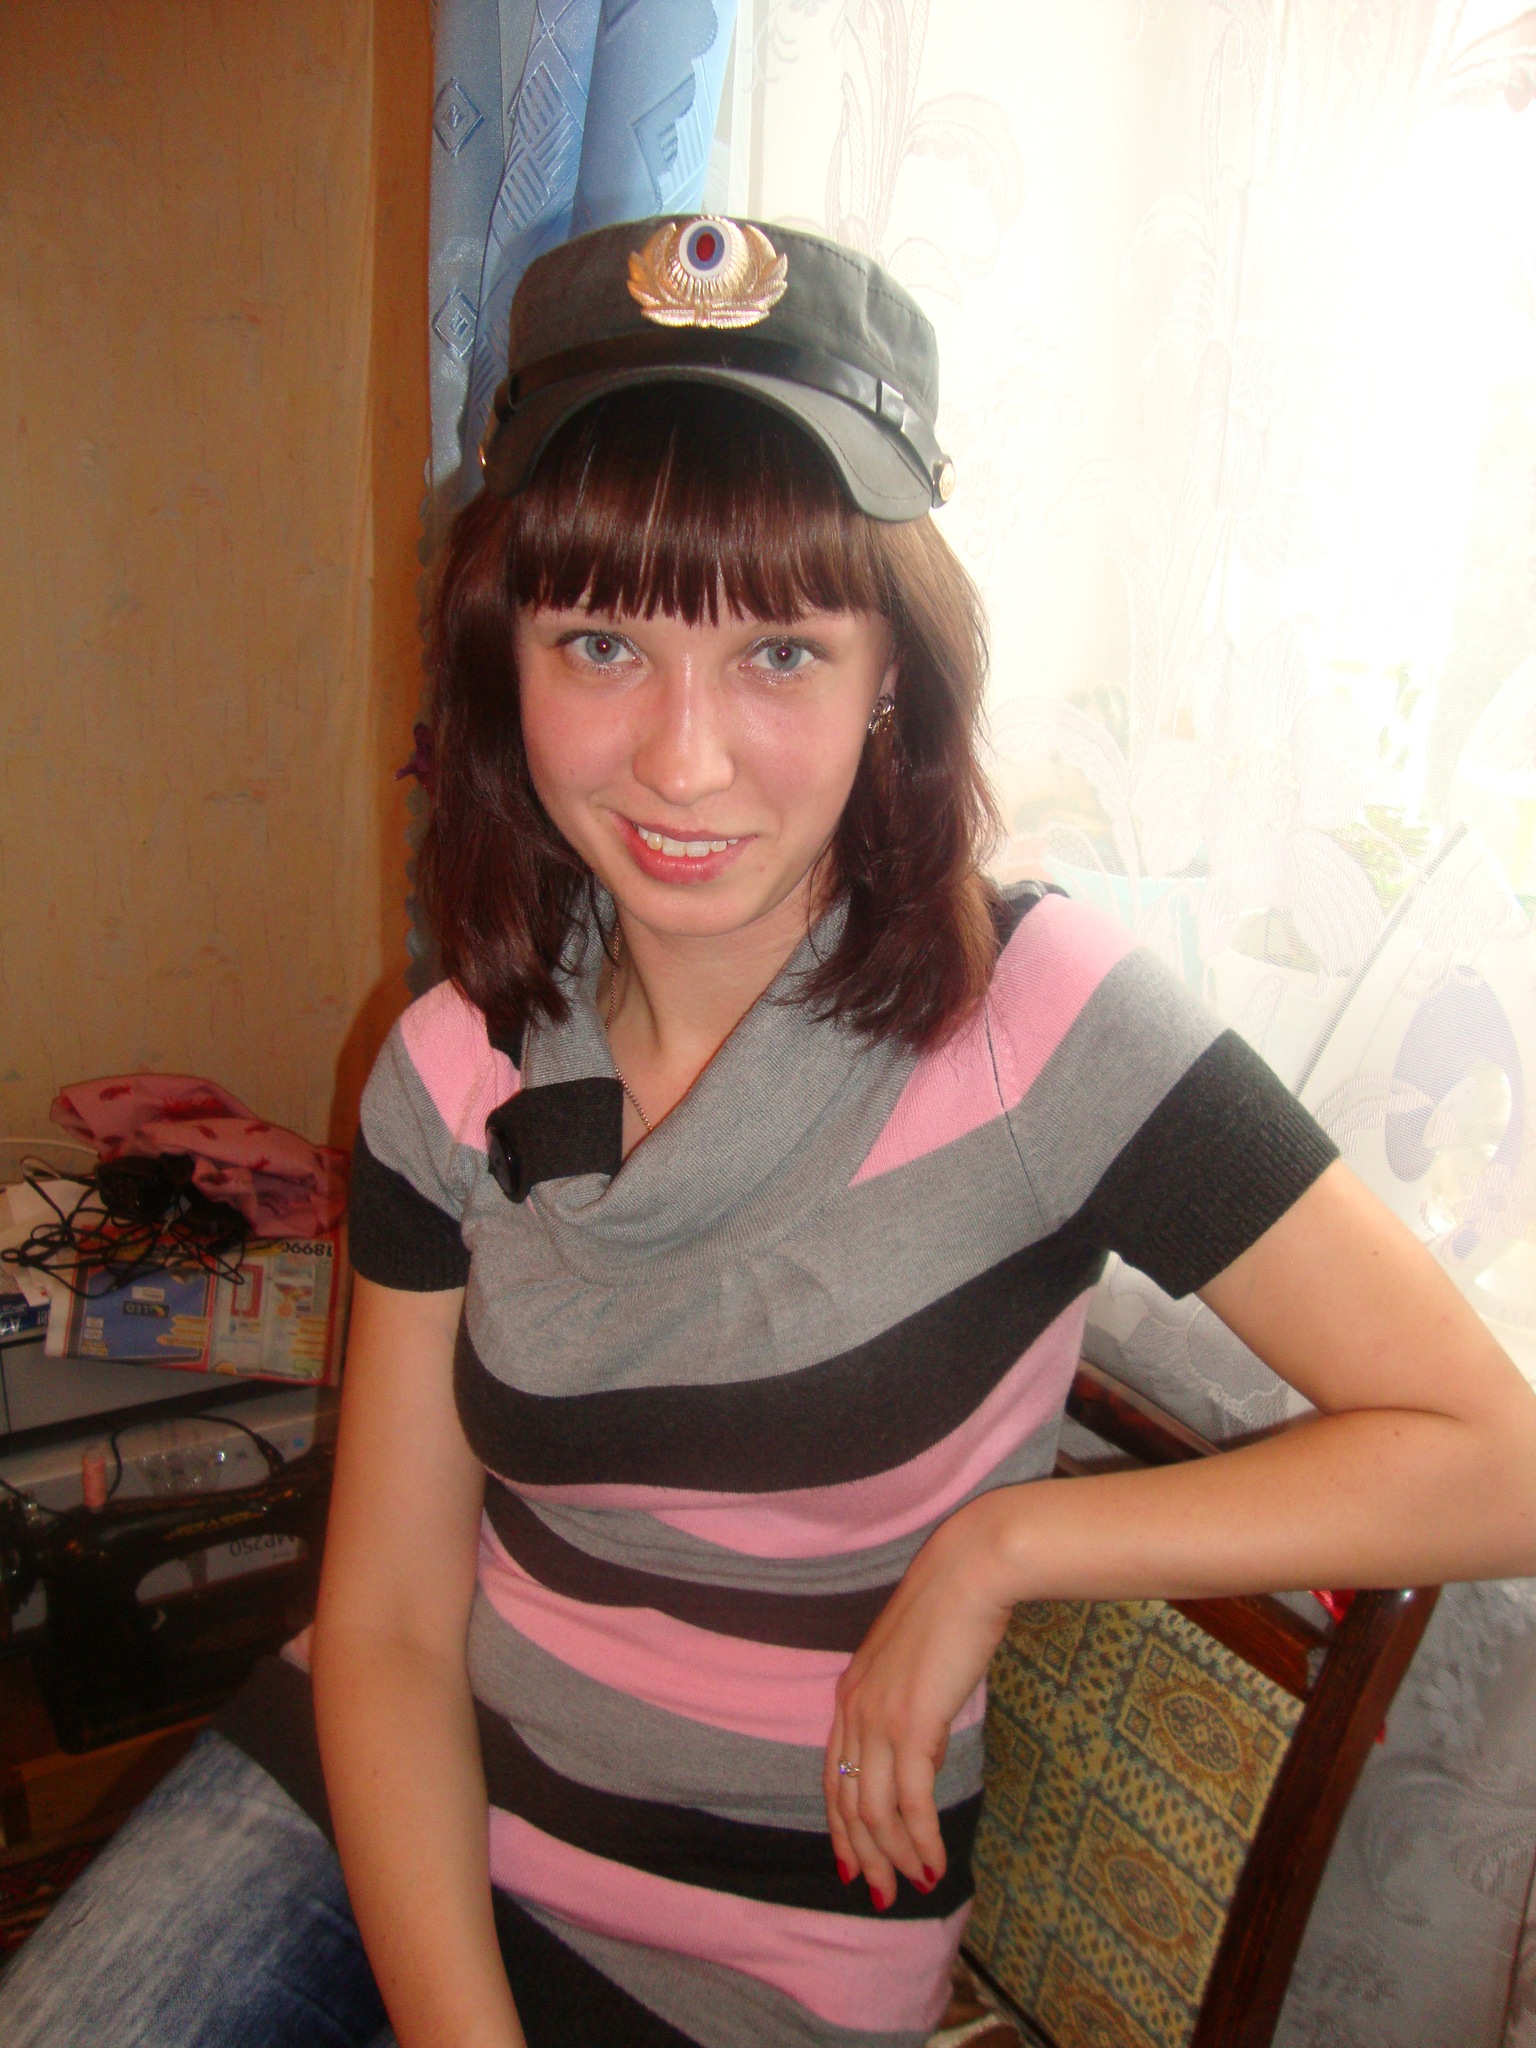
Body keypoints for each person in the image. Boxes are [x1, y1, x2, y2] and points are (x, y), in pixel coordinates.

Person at [3, 213, 1535, 2048]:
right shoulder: (449, 1069)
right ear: (503, 660)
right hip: (384, 1804)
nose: (682, 760)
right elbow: (397, 1620)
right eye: (601, 642)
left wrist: (1003, 1550)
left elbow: (1496, 1460)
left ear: (893, 671)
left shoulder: (1042, 1026)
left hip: (757, 1959)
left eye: (781, 652)